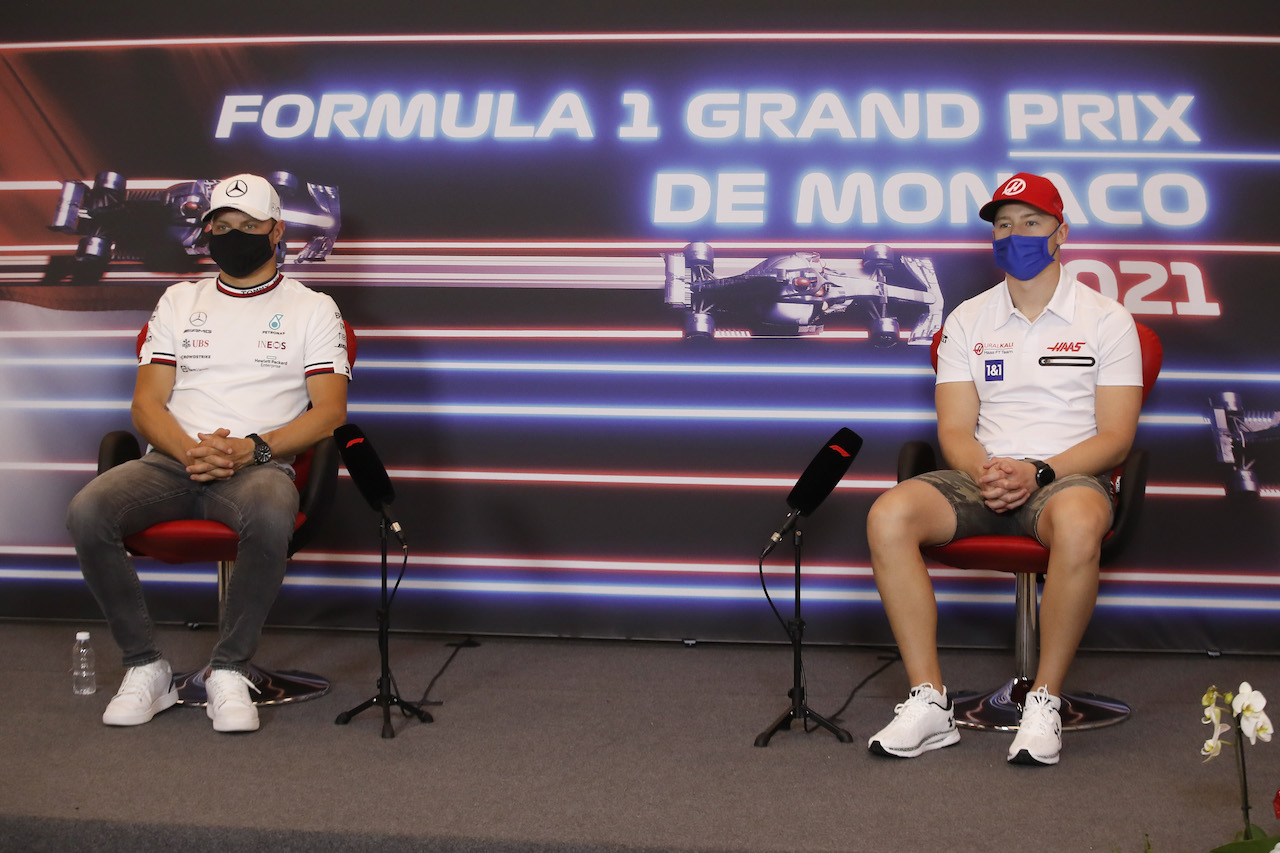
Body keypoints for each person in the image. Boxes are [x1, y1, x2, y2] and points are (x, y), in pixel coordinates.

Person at [864, 172, 1143, 766]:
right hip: (981, 474)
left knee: (1075, 521)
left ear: (1061, 233)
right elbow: (954, 430)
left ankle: (1043, 700)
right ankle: (930, 702)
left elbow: (1117, 439)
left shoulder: (1107, 319)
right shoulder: (966, 320)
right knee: (889, 515)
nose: (1015, 234)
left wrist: (1036, 472)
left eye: (1031, 223)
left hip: (1067, 477)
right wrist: (989, 471)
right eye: (1003, 225)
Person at [66, 174, 350, 733]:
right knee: (87, 510)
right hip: (173, 458)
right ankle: (146, 667)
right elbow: (146, 403)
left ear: (277, 231)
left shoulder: (314, 308)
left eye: (248, 227)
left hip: (260, 464)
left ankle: (229, 669)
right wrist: (193, 452)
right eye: (222, 227)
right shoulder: (178, 299)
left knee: (271, 511)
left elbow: (329, 412)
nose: (234, 236)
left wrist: (251, 450)